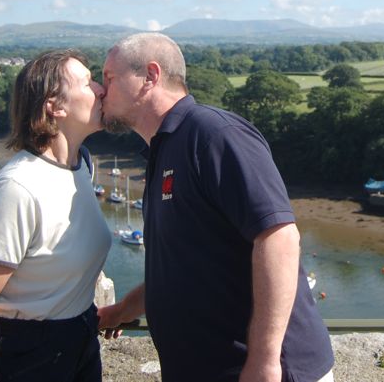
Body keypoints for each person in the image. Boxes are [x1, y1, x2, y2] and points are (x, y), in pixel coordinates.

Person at [97, 33, 335, 382]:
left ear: (150, 76)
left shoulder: (214, 135)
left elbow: (279, 238)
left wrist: (264, 362)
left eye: (109, 77)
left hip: (263, 372)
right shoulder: (165, 150)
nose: (101, 89)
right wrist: (124, 309)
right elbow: (185, 267)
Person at [0, 50, 112, 382]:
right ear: (55, 106)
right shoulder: (18, 187)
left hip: (80, 337)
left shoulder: (82, 165)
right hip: (30, 354)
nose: (100, 89)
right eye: (87, 82)